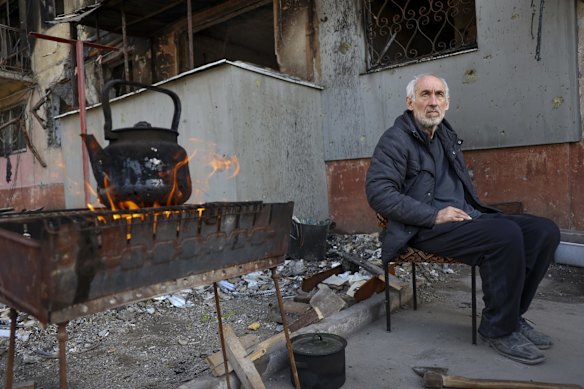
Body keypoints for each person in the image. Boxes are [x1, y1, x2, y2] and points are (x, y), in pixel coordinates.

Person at [365, 73, 560, 365]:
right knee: (505, 235)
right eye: (425, 94)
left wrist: (473, 212)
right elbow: (378, 193)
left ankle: (512, 317)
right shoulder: (396, 140)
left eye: (439, 95)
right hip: (423, 227)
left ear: (447, 102)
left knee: (544, 231)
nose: (433, 102)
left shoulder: (445, 134)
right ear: (410, 102)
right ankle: (498, 329)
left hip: (465, 217)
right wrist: (433, 215)